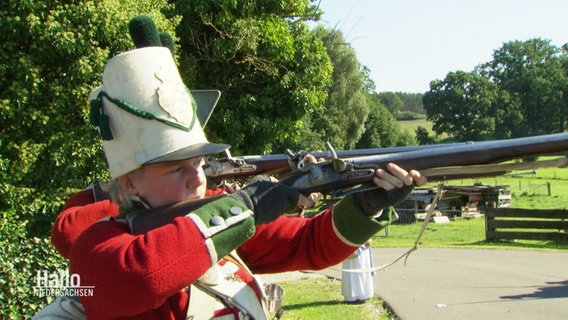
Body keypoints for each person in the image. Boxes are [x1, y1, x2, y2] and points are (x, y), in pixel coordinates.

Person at [35, 16, 427, 320]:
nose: (197, 178)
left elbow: (310, 242)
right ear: (129, 181)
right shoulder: (98, 247)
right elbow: (146, 273)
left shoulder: (221, 224)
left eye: (200, 163)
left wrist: (368, 204)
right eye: (175, 170)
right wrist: (247, 207)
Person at [341, 238, 375, 304]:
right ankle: (350, 296)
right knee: (351, 268)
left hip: (362, 243)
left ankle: (362, 295)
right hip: (350, 242)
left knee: (362, 267)